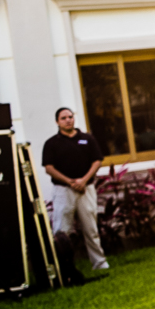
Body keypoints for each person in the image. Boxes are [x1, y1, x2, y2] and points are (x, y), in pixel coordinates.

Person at [42, 107, 109, 270]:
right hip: (63, 191)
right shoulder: (51, 143)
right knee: (61, 231)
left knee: (91, 228)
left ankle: (100, 263)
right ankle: (63, 267)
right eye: (63, 118)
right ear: (57, 122)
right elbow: (49, 168)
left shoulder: (87, 139)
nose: (68, 120)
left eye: (70, 117)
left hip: (86, 189)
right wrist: (70, 182)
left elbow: (97, 161)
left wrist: (83, 181)